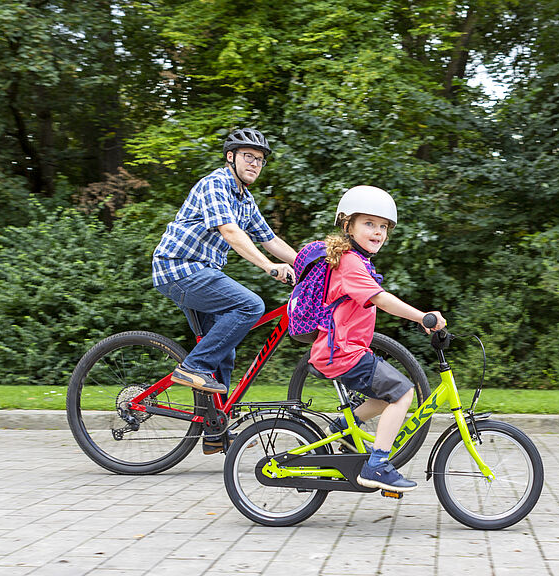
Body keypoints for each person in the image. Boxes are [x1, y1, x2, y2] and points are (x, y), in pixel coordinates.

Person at [152, 127, 297, 454]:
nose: (255, 164)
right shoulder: (215, 184)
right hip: (180, 267)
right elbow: (231, 232)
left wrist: (310, 263)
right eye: (249, 157)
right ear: (230, 157)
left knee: (224, 351)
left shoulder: (245, 200)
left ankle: (214, 429)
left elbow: (269, 239)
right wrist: (267, 267)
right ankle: (190, 368)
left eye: (260, 160)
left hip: (201, 271)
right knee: (250, 306)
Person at [309, 185, 447, 492]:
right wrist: (422, 316)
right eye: (369, 224)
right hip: (342, 352)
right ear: (348, 226)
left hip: (344, 350)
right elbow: (382, 300)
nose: (378, 232)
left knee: (386, 394)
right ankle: (377, 465)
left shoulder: (355, 261)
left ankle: (343, 428)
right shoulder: (351, 263)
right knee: (402, 392)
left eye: (383, 227)